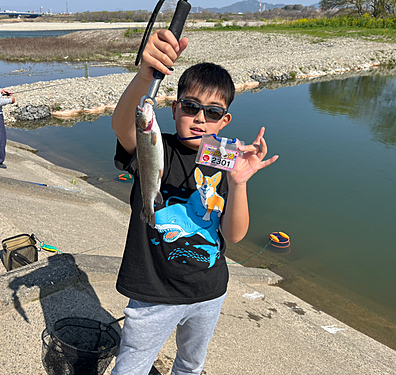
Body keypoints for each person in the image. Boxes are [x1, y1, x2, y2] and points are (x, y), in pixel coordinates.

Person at [111, 29, 279, 375]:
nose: (200, 118)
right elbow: (125, 126)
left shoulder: (224, 156)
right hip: (152, 290)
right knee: (130, 367)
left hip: (208, 291)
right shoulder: (159, 145)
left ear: (225, 120)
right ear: (174, 110)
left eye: (213, 112)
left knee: (190, 365)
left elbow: (233, 235)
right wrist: (146, 74)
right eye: (190, 107)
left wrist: (240, 183)